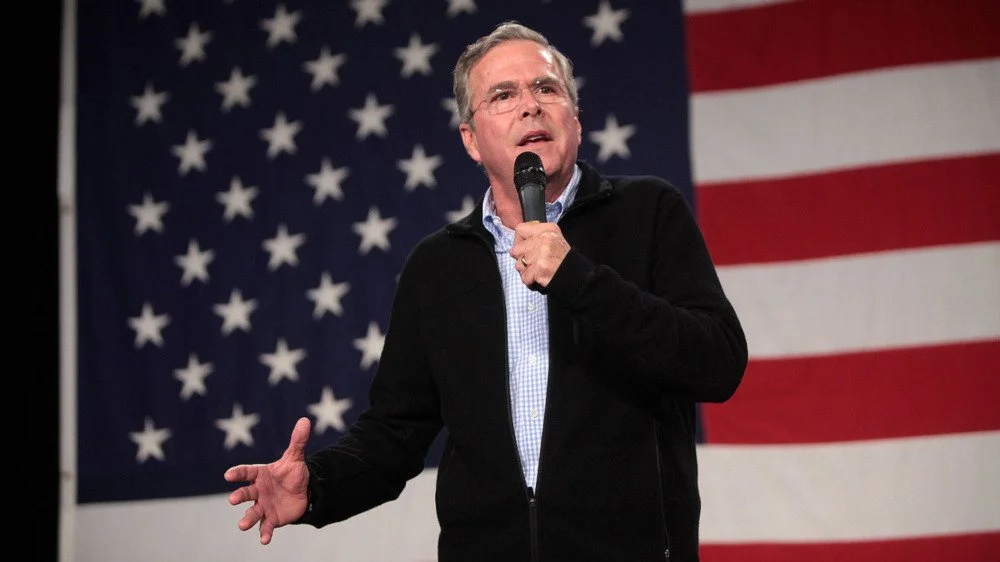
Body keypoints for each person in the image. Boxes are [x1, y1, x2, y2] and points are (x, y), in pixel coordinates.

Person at [224, 20, 747, 562]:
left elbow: (717, 361)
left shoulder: (647, 212)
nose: (530, 106)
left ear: (575, 118)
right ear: (471, 140)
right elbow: (393, 433)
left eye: (547, 89)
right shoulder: (437, 266)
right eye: (503, 95)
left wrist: (577, 278)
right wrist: (317, 488)